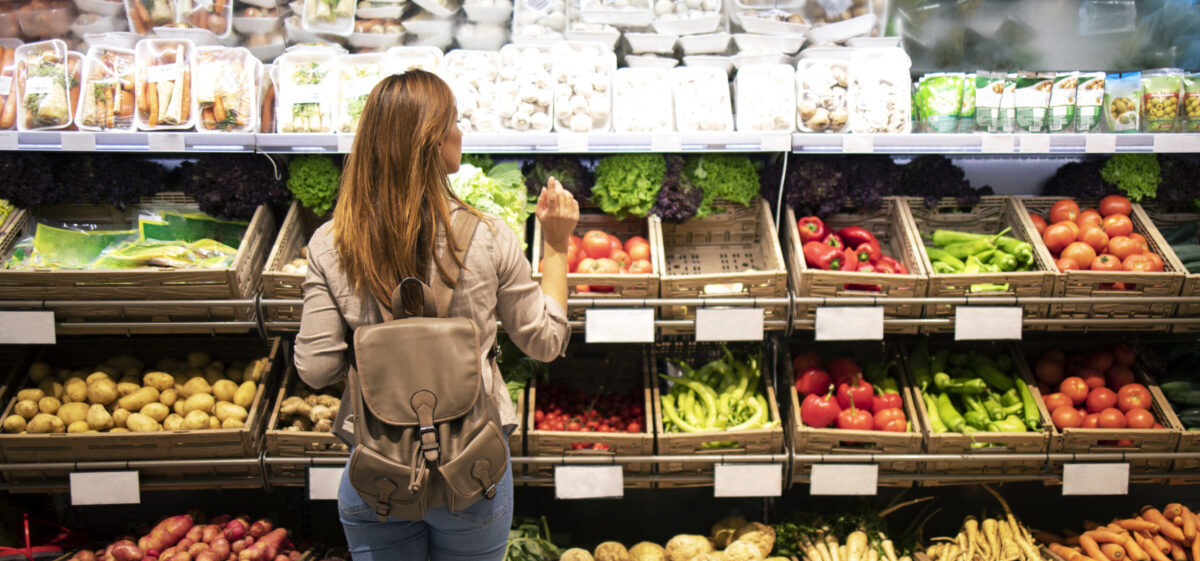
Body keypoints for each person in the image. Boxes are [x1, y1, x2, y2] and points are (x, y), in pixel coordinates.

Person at [293, 69, 579, 561]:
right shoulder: (489, 237)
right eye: (453, 121)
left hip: (377, 472)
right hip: (475, 474)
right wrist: (555, 245)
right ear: (432, 142)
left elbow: (316, 368)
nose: (460, 132)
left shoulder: (331, 244)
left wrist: (380, 362)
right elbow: (545, 342)